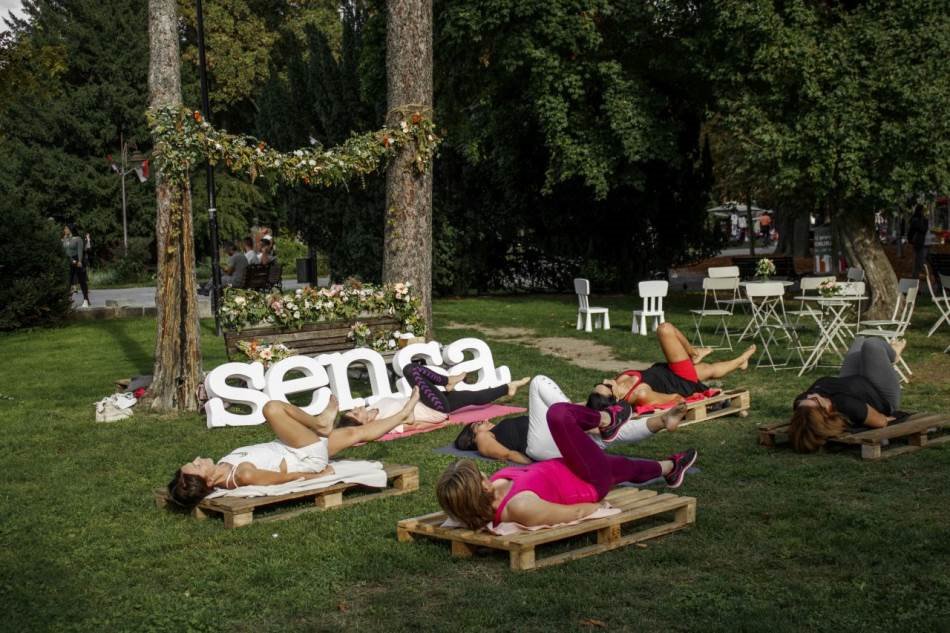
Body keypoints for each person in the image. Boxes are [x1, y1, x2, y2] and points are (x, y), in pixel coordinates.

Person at [436, 402, 698, 530]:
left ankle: (670, 468)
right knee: (558, 415)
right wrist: (598, 507)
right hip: (588, 479)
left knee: (625, 467)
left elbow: (456, 509)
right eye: (479, 474)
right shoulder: (518, 506)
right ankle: (606, 419)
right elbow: (575, 513)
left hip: (571, 467)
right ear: (480, 489)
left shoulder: (488, 492)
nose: (484, 472)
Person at [167, 389, 421, 508]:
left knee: (355, 433)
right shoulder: (243, 474)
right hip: (305, 456)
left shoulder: (224, 467)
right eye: (197, 465)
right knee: (272, 408)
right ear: (209, 480)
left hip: (294, 448)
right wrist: (317, 476)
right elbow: (283, 479)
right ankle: (320, 424)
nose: (198, 458)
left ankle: (404, 415)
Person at [454, 374, 689, 463]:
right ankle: (600, 419)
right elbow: (507, 454)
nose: (484, 422)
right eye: (478, 424)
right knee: (538, 382)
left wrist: (583, 408)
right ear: (473, 433)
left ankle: (663, 421)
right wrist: (533, 465)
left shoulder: (499, 429)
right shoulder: (483, 438)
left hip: (555, 441)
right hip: (540, 448)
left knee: (607, 432)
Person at [587, 323, 756, 409]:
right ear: (615, 398)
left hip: (666, 370)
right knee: (665, 329)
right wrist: (696, 397)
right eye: (607, 386)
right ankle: (739, 360)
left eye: (601, 383)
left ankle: (696, 354)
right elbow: (676, 399)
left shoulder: (619, 383)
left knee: (707, 369)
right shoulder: (640, 394)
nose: (606, 380)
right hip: (680, 382)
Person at [788, 337, 905, 453]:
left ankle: (878, 359)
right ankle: (894, 355)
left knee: (859, 340)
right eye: (814, 399)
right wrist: (885, 418)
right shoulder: (847, 405)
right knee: (871, 344)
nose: (809, 395)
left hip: (851, 383)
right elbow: (881, 421)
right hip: (880, 393)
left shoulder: (802, 405)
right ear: (827, 410)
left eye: (803, 400)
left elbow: (804, 409)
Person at [339, 364, 530, 428]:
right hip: (434, 408)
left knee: (471, 396)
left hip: (429, 402)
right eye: (355, 414)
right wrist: (438, 423)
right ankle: (448, 380)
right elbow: (412, 425)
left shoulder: (373, 407)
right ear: (363, 423)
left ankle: (508, 387)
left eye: (352, 410)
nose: (355, 408)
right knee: (410, 370)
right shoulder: (382, 423)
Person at [62, 224, 90, 308]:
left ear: (70, 229)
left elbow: (80, 250)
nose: (64, 230)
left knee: (82, 280)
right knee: (68, 281)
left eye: (66, 228)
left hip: (77, 260)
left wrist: (79, 261)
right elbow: (64, 251)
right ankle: (67, 300)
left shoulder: (78, 239)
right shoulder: (65, 239)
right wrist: (71, 260)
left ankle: (86, 299)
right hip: (69, 261)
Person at [906, 205, 929, 279]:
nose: (924, 212)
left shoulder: (917, 219)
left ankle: (916, 276)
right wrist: (925, 221)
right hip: (919, 242)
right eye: (923, 211)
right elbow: (923, 229)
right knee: (920, 260)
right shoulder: (916, 220)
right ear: (920, 211)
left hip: (920, 242)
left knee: (918, 260)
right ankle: (918, 276)